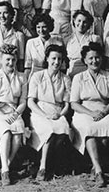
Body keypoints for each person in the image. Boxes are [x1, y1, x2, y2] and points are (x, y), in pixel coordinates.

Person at [71, 42, 109, 187]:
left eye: (97, 57)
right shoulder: (78, 77)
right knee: (88, 128)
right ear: (84, 60)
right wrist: (91, 113)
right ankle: (98, 170)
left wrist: (103, 112)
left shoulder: (108, 76)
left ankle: (95, 164)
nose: (94, 61)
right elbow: (74, 103)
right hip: (84, 111)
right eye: (90, 58)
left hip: (104, 111)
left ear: (102, 58)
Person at [0, 44, 28, 185]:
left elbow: (23, 101)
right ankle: (5, 171)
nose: (10, 63)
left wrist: (15, 114)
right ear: (1, 60)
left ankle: (4, 166)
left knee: (17, 135)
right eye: (7, 60)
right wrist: (2, 116)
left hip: (13, 112)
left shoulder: (21, 77)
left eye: (13, 60)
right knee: (6, 133)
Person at [28, 44, 72, 181]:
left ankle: (48, 160)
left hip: (57, 112)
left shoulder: (65, 79)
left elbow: (67, 105)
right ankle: (43, 166)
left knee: (64, 129)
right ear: (47, 58)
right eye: (53, 58)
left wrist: (60, 114)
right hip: (39, 112)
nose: (56, 62)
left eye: (59, 59)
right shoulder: (37, 76)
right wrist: (44, 115)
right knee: (49, 130)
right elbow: (30, 102)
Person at [0, 2, 25, 73]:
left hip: (12, 73)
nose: (2, 16)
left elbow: (21, 60)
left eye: (5, 13)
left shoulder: (18, 35)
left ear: (12, 15)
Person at [66, 10, 101, 78]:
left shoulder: (94, 39)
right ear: (74, 21)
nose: (81, 24)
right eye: (79, 21)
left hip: (88, 72)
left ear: (89, 24)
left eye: (84, 22)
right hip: (72, 73)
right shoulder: (67, 39)